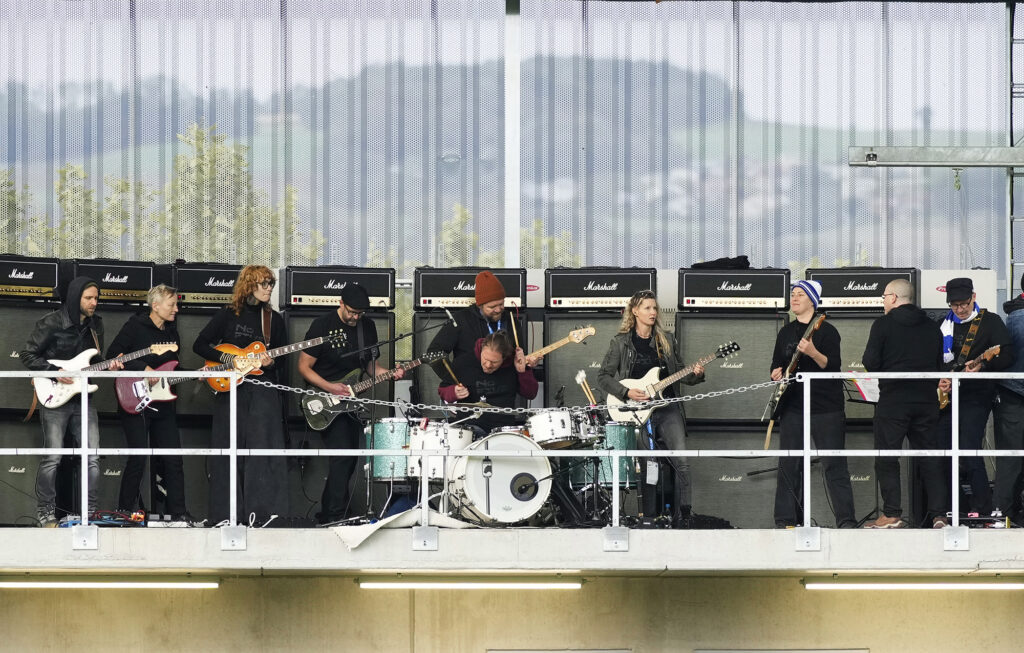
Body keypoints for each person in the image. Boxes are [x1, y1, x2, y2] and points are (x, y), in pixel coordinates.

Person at [595, 289, 704, 528]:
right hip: (637, 410)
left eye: (655, 308)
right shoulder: (621, 342)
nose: (653, 312)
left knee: (681, 460)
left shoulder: (667, 339)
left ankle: (684, 515)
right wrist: (627, 392)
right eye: (647, 308)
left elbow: (679, 374)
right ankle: (649, 518)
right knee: (648, 462)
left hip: (667, 406)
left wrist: (695, 376)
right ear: (634, 311)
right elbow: (603, 377)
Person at [20, 276, 123, 526]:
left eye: (96, 298)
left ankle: (89, 513)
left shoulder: (96, 325)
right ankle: (45, 513)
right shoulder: (51, 321)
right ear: (76, 297)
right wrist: (55, 371)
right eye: (89, 298)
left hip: (85, 397)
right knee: (53, 458)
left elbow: (94, 362)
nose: (94, 303)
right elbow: (27, 354)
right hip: (55, 396)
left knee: (93, 457)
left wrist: (111, 366)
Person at [297, 284, 403, 525]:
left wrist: (389, 372)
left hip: (351, 401)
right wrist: (330, 387)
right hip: (323, 400)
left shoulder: (368, 327)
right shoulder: (321, 325)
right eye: (352, 312)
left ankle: (332, 514)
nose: (356, 317)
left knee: (350, 457)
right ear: (341, 303)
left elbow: (369, 366)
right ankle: (332, 515)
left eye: (360, 313)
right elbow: (303, 367)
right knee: (343, 455)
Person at [192, 265, 288, 526]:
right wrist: (230, 358)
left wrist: (269, 364)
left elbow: (281, 365)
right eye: (264, 283)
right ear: (249, 285)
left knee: (262, 452)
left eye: (271, 284)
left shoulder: (274, 320)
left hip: (263, 392)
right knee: (227, 451)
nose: (269, 288)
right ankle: (226, 515)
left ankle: (262, 515)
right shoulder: (229, 314)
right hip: (231, 388)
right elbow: (199, 344)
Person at [769, 280, 856, 528]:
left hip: (826, 408)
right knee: (789, 463)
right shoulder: (785, 332)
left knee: (834, 464)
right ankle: (785, 520)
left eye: (799, 295)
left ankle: (846, 521)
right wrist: (776, 373)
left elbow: (832, 366)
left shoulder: (827, 331)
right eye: (792, 294)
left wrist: (813, 352)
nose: (794, 298)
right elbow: (776, 365)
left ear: (812, 301)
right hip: (793, 407)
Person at [861, 279, 945, 528]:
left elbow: (870, 362)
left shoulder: (883, 324)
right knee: (930, 456)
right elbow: (939, 367)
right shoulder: (933, 327)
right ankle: (939, 514)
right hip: (927, 401)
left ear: (895, 298)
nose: (883, 302)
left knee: (887, 456)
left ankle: (892, 514)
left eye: (885, 296)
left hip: (894, 400)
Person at [106, 284, 188, 520]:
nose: (176, 310)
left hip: (164, 403)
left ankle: (179, 514)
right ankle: (124, 511)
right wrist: (144, 367)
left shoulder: (172, 333)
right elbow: (114, 357)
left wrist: (200, 373)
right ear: (156, 305)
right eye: (172, 304)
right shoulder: (135, 326)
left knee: (174, 459)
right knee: (138, 457)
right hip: (135, 400)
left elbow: (173, 367)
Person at [935, 277, 1014, 517]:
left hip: (976, 396)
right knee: (944, 452)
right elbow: (932, 358)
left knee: (969, 448)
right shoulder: (941, 325)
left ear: (974, 298)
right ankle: (954, 508)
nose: (959, 309)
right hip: (946, 397)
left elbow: (1007, 354)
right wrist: (940, 378)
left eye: (964, 304)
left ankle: (984, 508)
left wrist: (983, 367)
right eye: (954, 305)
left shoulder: (990, 322)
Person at [437, 330, 538, 436]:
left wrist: (522, 371)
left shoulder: (513, 364)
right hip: (469, 428)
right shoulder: (463, 362)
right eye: (485, 359)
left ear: (504, 358)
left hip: (503, 430)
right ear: (481, 351)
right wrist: (453, 392)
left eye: (494, 362)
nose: (488, 365)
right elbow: (442, 391)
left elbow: (530, 394)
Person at [995, 273, 1024, 522]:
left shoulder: (1011, 317)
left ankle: (1003, 513)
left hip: (1010, 394)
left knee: (1010, 457)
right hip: (1016, 393)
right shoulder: (1020, 319)